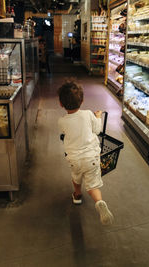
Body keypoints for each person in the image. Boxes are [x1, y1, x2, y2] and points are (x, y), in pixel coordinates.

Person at [58, 80, 114, 225]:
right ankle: (99, 202)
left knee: (76, 178)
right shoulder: (88, 114)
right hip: (91, 158)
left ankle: (77, 195)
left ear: (61, 104)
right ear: (82, 101)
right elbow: (97, 130)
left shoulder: (62, 121)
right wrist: (98, 117)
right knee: (93, 184)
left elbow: (65, 132)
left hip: (74, 159)